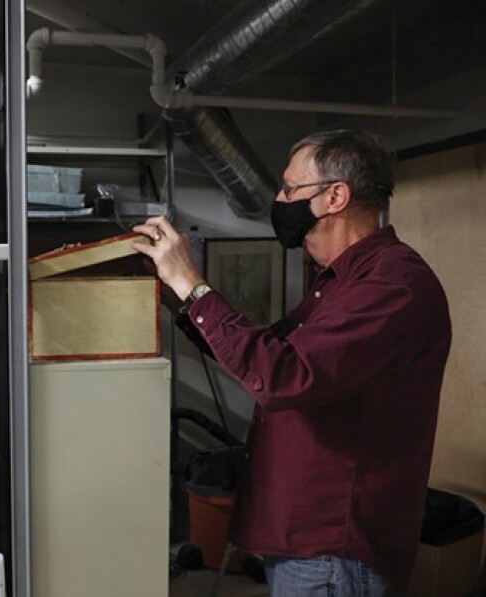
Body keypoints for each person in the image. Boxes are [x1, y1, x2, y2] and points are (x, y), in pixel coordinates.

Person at [132, 129, 452, 595]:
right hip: (308, 542)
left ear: (335, 196)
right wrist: (177, 299)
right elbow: (270, 356)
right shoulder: (338, 282)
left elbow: (283, 378)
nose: (280, 199)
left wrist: (194, 285)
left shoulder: (392, 286)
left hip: (333, 550)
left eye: (289, 188)